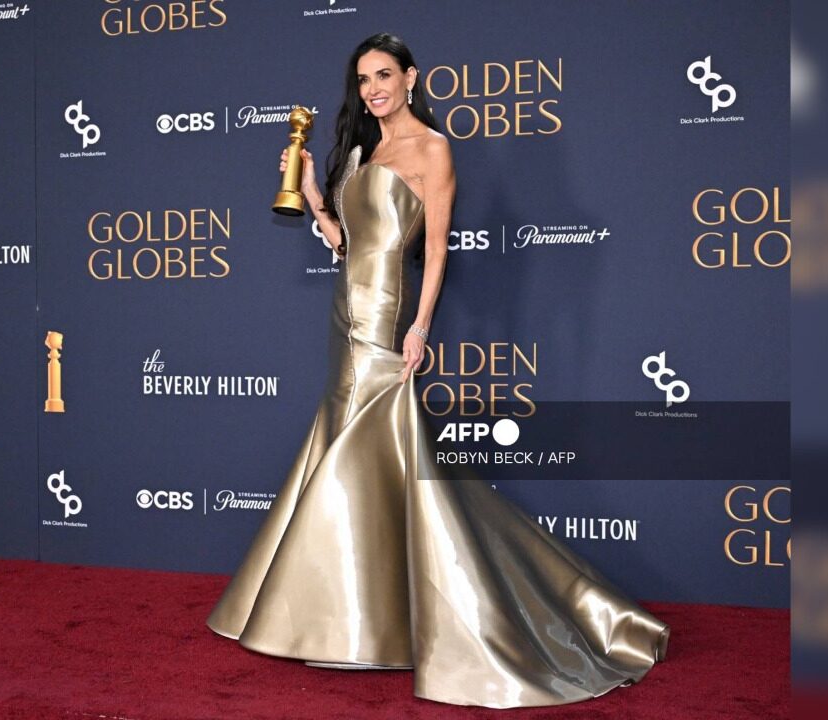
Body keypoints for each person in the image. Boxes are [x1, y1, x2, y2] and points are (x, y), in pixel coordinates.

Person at [207, 32, 669, 708]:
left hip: (388, 319)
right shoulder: (362, 151)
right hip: (345, 317)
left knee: (364, 456)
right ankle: (360, 619)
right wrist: (312, 194)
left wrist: (419, 327)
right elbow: (347, 244)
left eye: (384, 74)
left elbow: (439, 247)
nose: (373, 88)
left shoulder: (432, 150)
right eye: (363, 78)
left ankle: (376, 624)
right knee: (355, 457)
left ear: (412, 78)